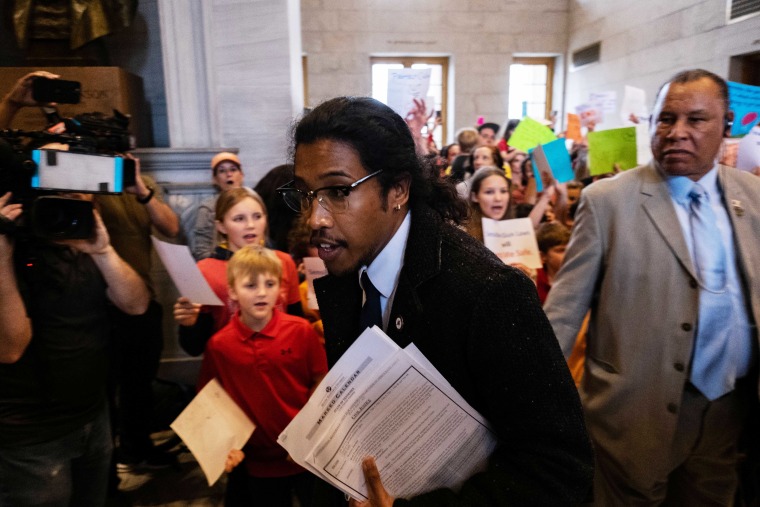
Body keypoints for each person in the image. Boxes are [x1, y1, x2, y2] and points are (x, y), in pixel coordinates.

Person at [280, 96, 593, 506]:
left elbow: (559, 469)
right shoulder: (344, 267)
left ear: (397, 189)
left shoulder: (488, 292)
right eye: (305, 194)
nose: (315, 218)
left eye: (339, 191)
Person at [544, 69, 760, 505]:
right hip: (631, 419)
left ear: (728, 125)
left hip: (726, 416)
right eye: (665, 119)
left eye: (695, 120)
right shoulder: (609, 201)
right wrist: (532, 401)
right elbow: (564, 313)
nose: (677, 132)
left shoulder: (752, 196)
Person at [0, 191, 149, 506]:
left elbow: (136, 305)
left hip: (93, 416)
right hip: (32, 436)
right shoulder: (11, 249)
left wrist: (104, 251)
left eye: (82, 197)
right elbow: (11, 348)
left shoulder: (85, 246)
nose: (70, 206)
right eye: (60, 196)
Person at [198, 245, 327, 507]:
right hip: (258, 464)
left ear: (280, 289)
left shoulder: (301, 331)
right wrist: (224, 446)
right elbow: (210, 400)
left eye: (269, 284)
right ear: (232, 291)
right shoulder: (219, 345)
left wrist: (307, 435)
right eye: (250, 285)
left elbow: (322, 381)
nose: (261, 292)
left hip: (307, 457)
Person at [175, 188, 302, 356]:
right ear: (221, 226)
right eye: (239, 219)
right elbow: (194, 348)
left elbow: (297, 323)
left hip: (280, 359)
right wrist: (188, 324)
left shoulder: (283, 262)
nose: (250, 225)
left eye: (257, 217)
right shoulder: (204, 271)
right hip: (231, 363)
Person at [192, 152, 246, 260]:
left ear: (241, 175)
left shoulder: (253, 202)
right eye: (222, 171)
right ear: (215, 179)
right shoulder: (207, 209)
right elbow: (201, 251)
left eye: (233, 169)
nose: (228, 174)